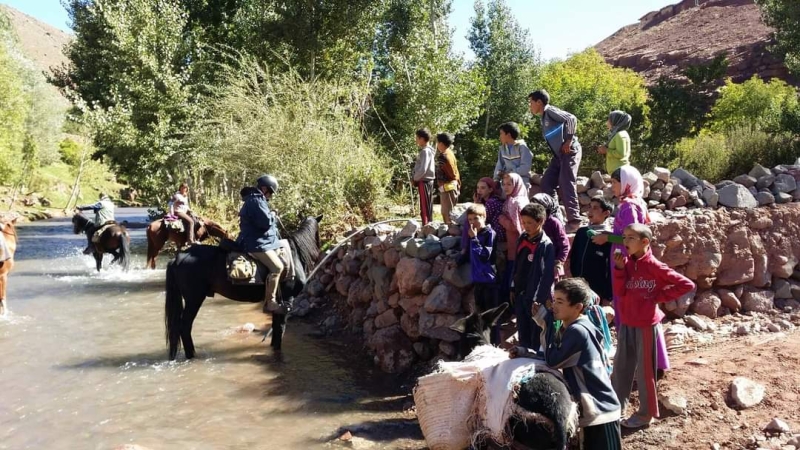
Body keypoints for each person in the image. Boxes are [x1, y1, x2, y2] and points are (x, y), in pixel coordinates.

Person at [512, 278, 622, 450]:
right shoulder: (573, 327)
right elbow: (555, 356)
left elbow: (553, 361)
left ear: (577, 307)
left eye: (560, 302)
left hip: (601, 411)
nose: (553, 306)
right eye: (554, 300)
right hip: (591, 412)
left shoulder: (578, 331)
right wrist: (524, 352)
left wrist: (546, 324)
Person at [612, 223, 695, 429]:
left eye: (631, 238)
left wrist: (657, 297)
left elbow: (687, 284)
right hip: (627, 322)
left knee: (645, 372)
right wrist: (620, 270)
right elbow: (620, 291)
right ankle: (616, 408)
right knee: (621, 368)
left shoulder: (655, 266)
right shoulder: (627, 263)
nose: (625, 242)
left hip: (646, 325)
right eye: (624, 237)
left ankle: (645, 414)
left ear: (644, 242)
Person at [591, 166, 671, 377]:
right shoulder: (633, 202)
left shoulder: (629, 206)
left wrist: (607, 238)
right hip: (627, 264)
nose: (612, 187)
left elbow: (632, 238)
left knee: (634, 312)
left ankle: (645, 364)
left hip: (629, 267)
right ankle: (651, 362)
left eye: (616, 183)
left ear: (627, 183)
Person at [528, 89, 582, 233]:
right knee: (547, 182)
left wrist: (569, 140)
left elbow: (571, 119)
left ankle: (574, 221)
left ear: (539, 102)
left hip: (569, 151)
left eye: (531, 102)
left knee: (566, 181)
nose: (530, 106)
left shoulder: (549, 110)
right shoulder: (544, 117)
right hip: (559, 156)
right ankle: (555, 217)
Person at [238, 174, 284, 313]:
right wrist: (274, 215)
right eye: (270, 192)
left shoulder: (255, 199)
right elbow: (265, 223)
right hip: (256, 243)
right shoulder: (256, 201)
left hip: (258, 240)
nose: (270, 195)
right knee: (277, 267)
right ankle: (270, 302)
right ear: (264, 188)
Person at [512, 203, 554, 352]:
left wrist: (538, 299)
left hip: (535, 298)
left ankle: (535, 364)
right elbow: (517, 265)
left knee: (536, 333)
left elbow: (547, 275)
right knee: (523, 330)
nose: (526, 226)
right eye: (523, 222)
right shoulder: (522, 238)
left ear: (540, 221)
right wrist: (513, 286)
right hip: (520, 293)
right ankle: (522, 360)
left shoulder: (545, 245)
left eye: (530, 223)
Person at [457, 204, 501, 344]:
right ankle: (483, 344)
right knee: (480, 316)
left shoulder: (489, 233)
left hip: (489, 281)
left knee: (492, 316)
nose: (473, 222)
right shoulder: (473, 234)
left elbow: (484, 256)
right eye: (470, 219)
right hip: (478, 281)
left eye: (476, 218)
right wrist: (457, 263)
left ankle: (495, 345)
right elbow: (469, 254)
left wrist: (475, 239)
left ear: (484, 217)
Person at [570, 197, 614, 303]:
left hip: (598, 290)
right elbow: (574, 256)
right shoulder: (581, 232)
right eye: (589, 207)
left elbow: (609, 266)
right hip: (578, 285)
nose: (590, 211)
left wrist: (608, 294)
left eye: (595, 208)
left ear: (606, 213)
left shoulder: (608, 237)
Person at [498, 173, 529, 310]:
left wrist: (501, 219)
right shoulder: (512, 199)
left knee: (513, 283)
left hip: (517, 250)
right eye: (503, 184)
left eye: (509, 184)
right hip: (512, 249)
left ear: (516, 184)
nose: (506, 187)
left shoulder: (517, 202)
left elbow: (518, 227)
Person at [531, 193, 570, 281]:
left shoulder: (554, 223)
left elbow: (565, 245)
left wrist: (558, 262)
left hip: (552, 264)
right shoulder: (532, 222)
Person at [494, 122, 533, 188]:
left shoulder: (522, 147)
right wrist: (496, 179)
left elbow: (526, 167)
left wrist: (510, 174)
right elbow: (499, 165)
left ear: (508, 135)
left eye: (501, 134)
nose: (500, 136)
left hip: (521, 180)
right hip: (506, 180)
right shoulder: (502, 148)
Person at [434, 133, 461, 225]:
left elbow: (451, 174)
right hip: (451, 185)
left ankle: (450, 235)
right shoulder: (449, 153)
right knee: (449, 212)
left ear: (441, 143)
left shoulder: (444, 156)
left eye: (437, 142)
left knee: (447, 213)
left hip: (448, 187)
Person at [412, 128, 436, 225]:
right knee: (427, 205)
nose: (416, 140)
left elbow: (423, 169)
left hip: (424, 181)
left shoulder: (425, 151)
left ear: (422, 139)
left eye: (417, 138)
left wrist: (414, 178)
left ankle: (426, 226)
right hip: (428, 181)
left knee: (424, 206)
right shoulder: (429, 150)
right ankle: (428, 225)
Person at [170, 183, 196, 248]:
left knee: (195, 219)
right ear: (180, 188)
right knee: (191, 222)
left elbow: (186, 206)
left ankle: (194, 238)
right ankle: (190, 240)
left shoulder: (185, 196)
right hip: (178, 212)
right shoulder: (177, 196)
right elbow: (170, 203)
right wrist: (171, 213)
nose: (184, 189)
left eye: (185, 188)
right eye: (183, 188)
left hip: (184, 212)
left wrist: (190, 210)